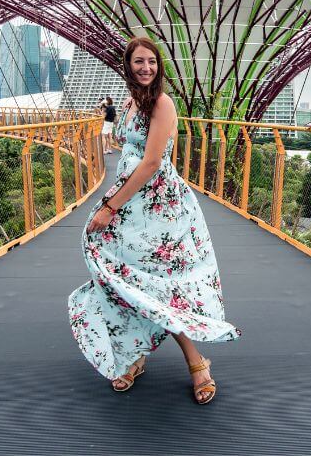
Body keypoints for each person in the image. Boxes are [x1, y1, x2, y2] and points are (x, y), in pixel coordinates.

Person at [67, 37, 241, 405]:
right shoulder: (130, 103)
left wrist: (109, 207)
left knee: (162, 285)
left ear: (159, 66)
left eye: (151, 62)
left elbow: (151, 164)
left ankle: (198, 363)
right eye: (138, 62)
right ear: (127, 66)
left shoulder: (162, 103)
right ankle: (133, 353)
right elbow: (126, 151)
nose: (145, 68)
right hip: (131, 205)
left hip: (159, 209)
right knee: (122, 276)